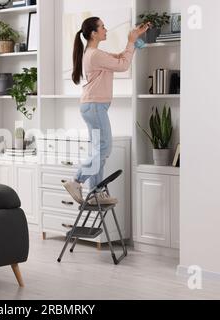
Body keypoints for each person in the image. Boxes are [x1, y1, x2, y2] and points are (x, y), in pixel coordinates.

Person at [63, 17, 149, 205]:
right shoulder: (94, 54)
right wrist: (131, 41)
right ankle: (76, 181)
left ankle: (96, 193)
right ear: (94, 33)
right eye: (102, 27)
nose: (105, 29)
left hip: (93, 106)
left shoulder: (94, 53)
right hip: (94, 107)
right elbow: (123, 65)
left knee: (98, 151)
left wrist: (136, 39)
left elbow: (119, 57)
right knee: (104, 148)